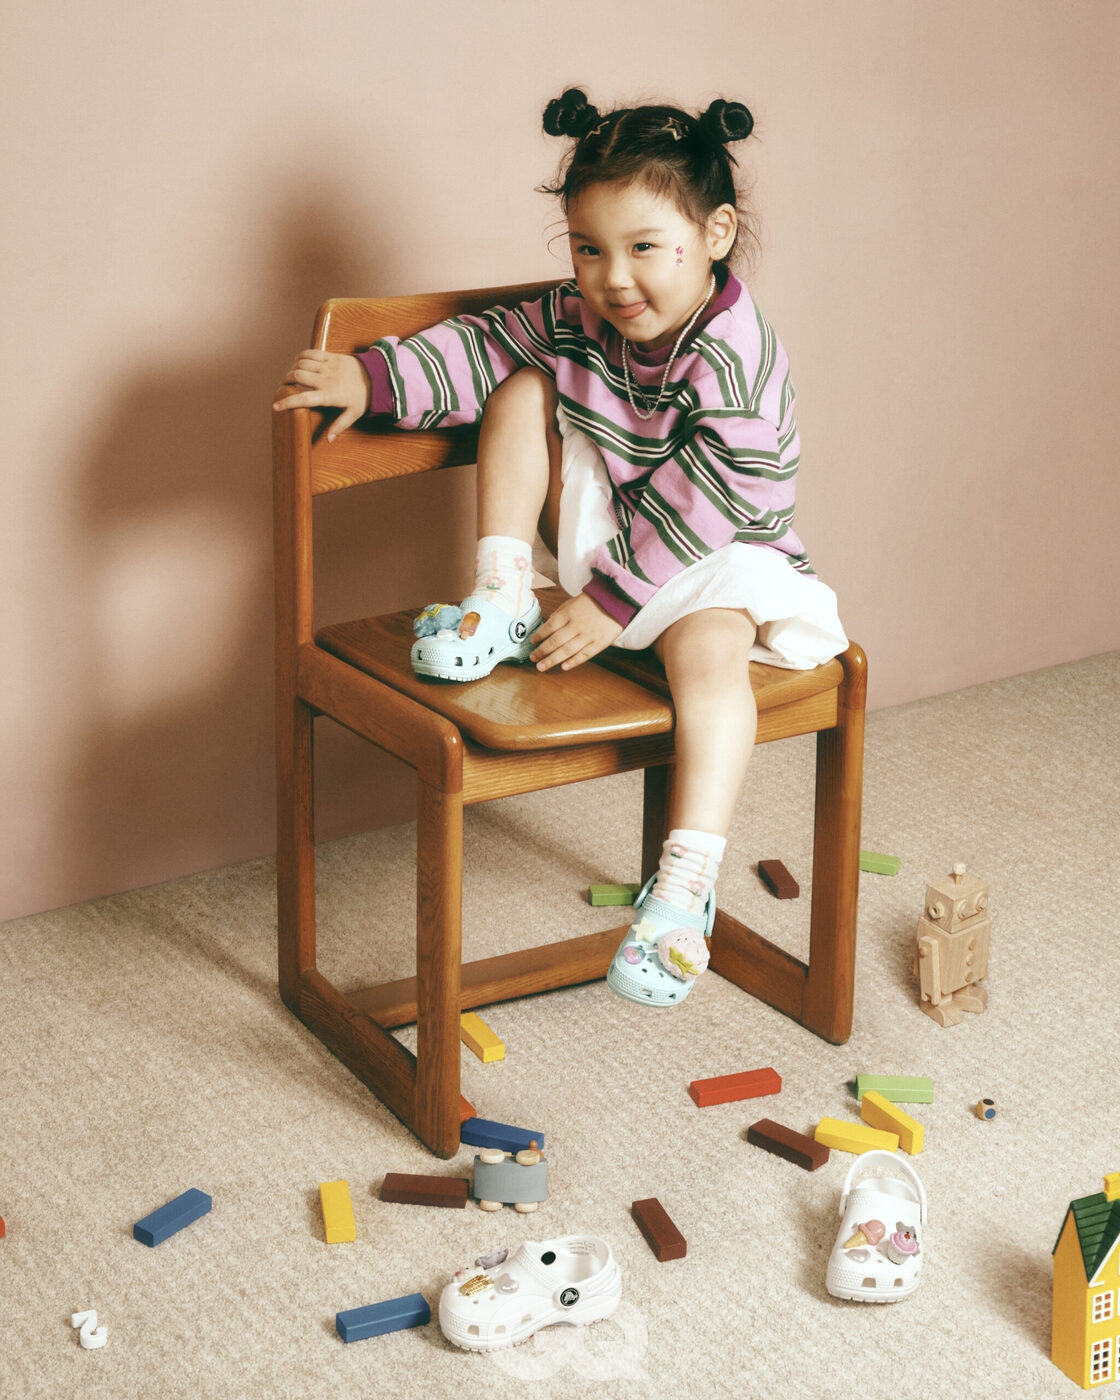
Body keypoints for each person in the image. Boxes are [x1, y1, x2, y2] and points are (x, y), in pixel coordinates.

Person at [273, 87, 848, 1009]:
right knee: (518, 384)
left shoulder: (734, 357)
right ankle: (501, 591)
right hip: (615, 538)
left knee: (709, 659)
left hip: (718, 551)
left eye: (644, 248)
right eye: (588, 249)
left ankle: (683, 887)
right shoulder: (581, 318)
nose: (613, 280)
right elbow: (481, 344)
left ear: (716, 234)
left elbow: (718, 494)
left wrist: (610, 603)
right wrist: (373, 379)